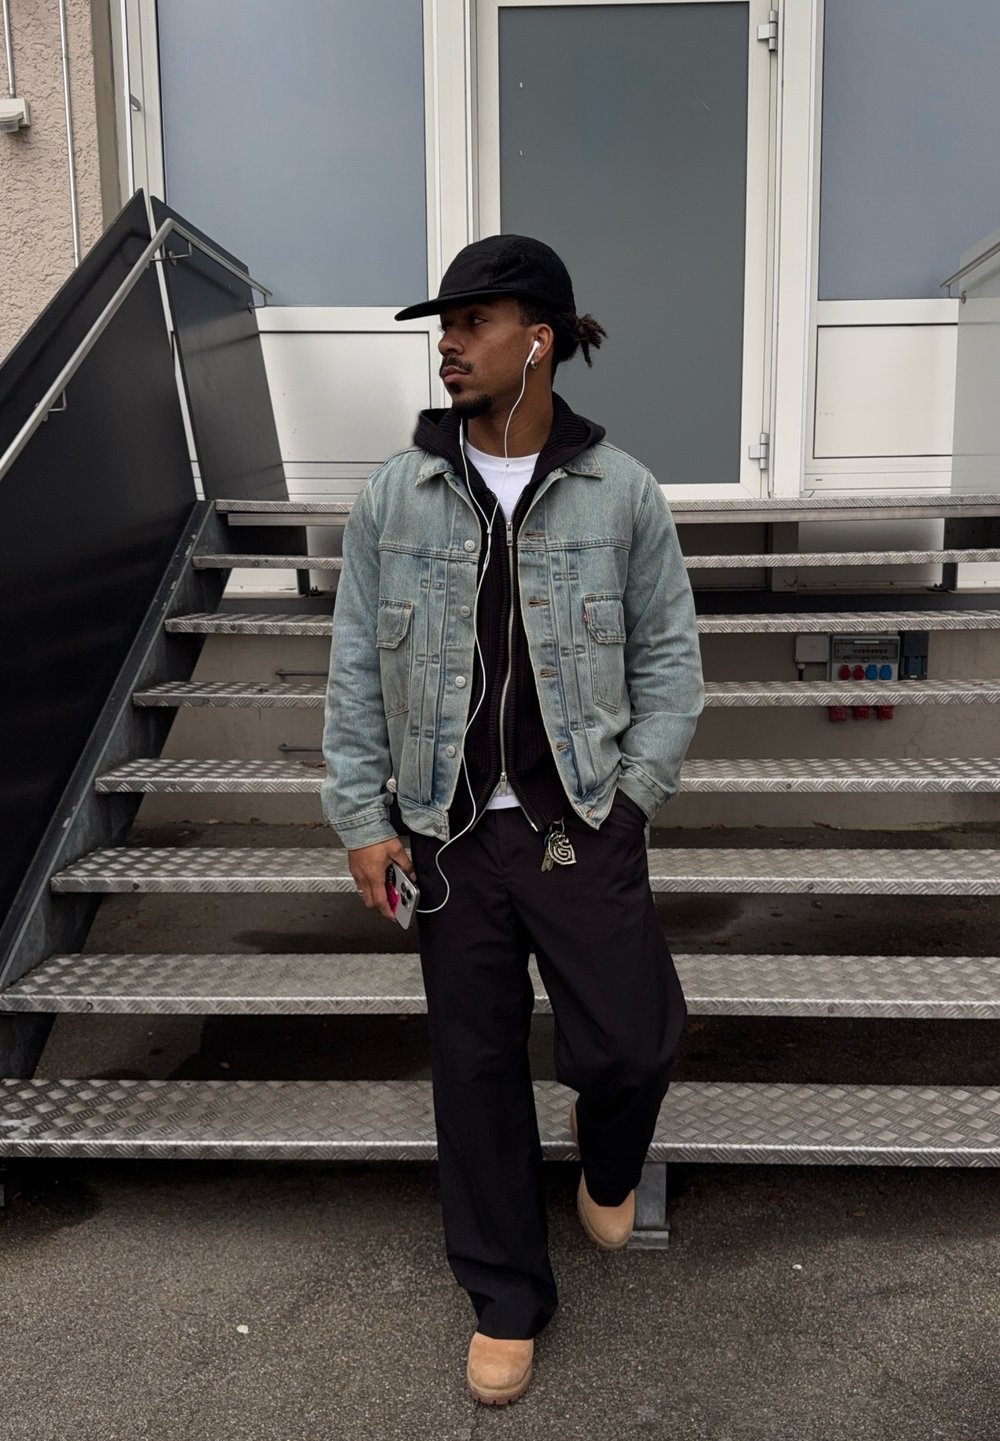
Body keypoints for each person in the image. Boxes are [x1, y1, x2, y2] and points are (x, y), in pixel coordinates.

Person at [322, 235, 704, 1406]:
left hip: (577, 821)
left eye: (470, 321)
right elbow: (351, 671)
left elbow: (668, 661)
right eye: (441, 326)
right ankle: (503, 1295)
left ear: (536, 340)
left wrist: (632, 799)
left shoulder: (620, 491)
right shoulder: (397, 494)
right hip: (444, 835)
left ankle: (605, 1164)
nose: (446, 343)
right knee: (474, 1066)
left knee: (632, 1040)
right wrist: (360, 816)